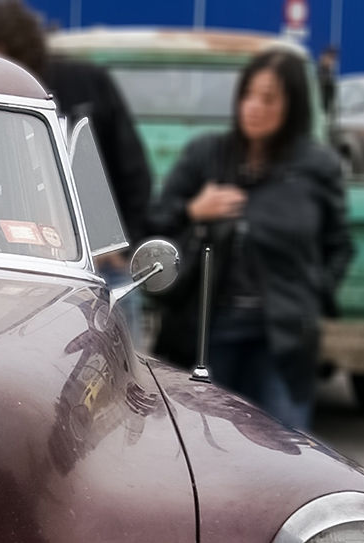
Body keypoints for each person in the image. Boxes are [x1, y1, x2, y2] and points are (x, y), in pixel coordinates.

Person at [148, 48, 353, 431]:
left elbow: (338, 245)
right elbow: (156, 221)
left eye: (269, 98)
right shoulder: (207, 155)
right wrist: (195, 211)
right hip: (210, 328)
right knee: (204, 444)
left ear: (292, 106)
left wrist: (312, 296)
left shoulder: (316, 165)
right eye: (248, 95)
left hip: (282, 336)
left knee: (284, 450)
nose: (254, 107)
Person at [0, 0, 151, 325]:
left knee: (116, 366)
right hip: (11, 265)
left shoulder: (86, 83)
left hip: (100, 265)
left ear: (17, 51)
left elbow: (133, 170)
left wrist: (123, 245)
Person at [317, 45, 338, 121]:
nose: (331, 61)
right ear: (322, 57)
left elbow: (331, 96)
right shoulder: (316, 71)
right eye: (329, 57)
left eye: (333, 59)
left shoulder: (329, 74)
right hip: (317, 110)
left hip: (325, 112)